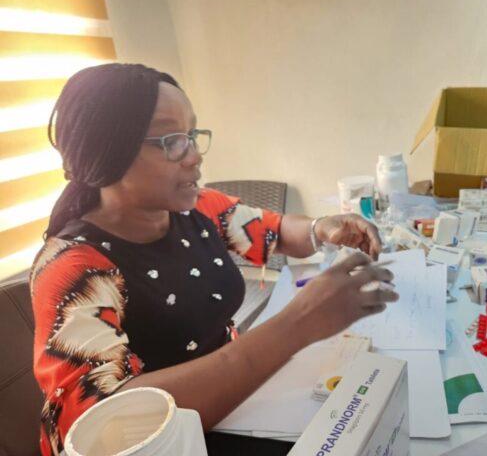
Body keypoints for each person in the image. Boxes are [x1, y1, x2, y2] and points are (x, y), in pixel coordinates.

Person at [31, 63, 397, 455]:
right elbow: (115, 420)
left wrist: (321, 227)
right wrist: (298, 324)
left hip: (236, 405)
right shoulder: (73, 269)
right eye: (172, 140)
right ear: (107, 152)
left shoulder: (196, 208)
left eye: (191, 135)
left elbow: (271, 229)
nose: (194, 157)